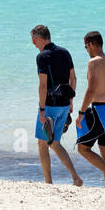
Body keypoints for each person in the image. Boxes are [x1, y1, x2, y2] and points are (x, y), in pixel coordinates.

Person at [30, 24, 82, 186]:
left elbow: (43, 85)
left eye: (34, 41)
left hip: (50, 106)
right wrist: (71, 102)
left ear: (39, 38)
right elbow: (74, 79)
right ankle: (75, 177)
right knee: (54, 142)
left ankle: (49, 182)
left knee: (43, 143)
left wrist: (42, 110)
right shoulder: (65, 52)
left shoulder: (42, 57)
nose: (33, 44)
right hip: (64, 105)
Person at [74, 31, 105, 189]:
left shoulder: (93, 62)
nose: (87, 50)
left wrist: (81, 112)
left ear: (92, 44)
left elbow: (91, 90)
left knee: (83, 148)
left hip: (99, 112)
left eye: (86, 47)